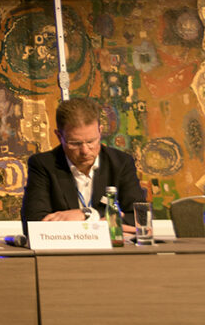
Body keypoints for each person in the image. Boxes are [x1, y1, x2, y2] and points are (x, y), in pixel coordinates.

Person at [21, 97, 145, 232]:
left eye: (91, 141)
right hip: (63, 251)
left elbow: (141, 218)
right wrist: (106, 223)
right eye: (75, 143)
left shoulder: (121, 163)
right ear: (59, 136)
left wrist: (87, 214)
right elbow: (33, 223)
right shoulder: (43, 165)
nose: (85, 151)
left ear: (100, 130)